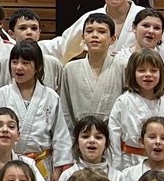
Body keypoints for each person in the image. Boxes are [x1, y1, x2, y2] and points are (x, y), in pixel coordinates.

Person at [53, 15, 125, 172]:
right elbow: (65, 112)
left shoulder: (122, 67)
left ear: (113, 39)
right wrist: (70, 146)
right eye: (90, 31)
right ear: (83, 37)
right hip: (80, 142)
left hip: (112, 142)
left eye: (101, 31)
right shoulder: (70, 69)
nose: (95, 35)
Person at [0, 41, 62, 181]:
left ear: (38, 67)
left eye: (25, 63)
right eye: (14, 62)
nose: (18, 67)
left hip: (42, 165)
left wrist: (59, 167)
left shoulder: (51, 96)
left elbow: (60, 135)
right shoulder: (1, 95)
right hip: (9, 163)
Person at [108, 49, 164, 176]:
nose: (148, 74)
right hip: (130, 164)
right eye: (141, 70)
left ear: (161, 74)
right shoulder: (123, 102)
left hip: (161, 166)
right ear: (132, 73)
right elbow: (113, 139)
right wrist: (115, 171)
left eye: (153, 70)